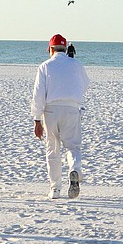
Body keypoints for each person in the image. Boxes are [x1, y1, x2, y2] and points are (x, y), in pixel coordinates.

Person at [31, 34, 90, 199]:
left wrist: (37, 119)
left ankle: (55, 189)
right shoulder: (76, 64)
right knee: (72, 146)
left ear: (50, 49)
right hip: (71, 108)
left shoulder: (45, 66)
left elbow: (38, 94)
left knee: (53, 149)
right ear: (65, 49)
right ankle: (74, 168)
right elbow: (85, 84)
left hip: (51, 110)